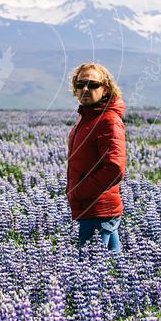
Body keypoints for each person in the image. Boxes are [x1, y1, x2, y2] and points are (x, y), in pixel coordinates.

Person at [66, 62, 126, 253]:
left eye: (93, 85)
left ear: (105, 88)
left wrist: (81, 191)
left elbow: (114, 168)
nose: (85, 89)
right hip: (92, 209)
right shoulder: (87, 117)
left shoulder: (108, 120)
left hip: (98, 208)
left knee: (92, 269)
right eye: (80, 84)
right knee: (110, 268)